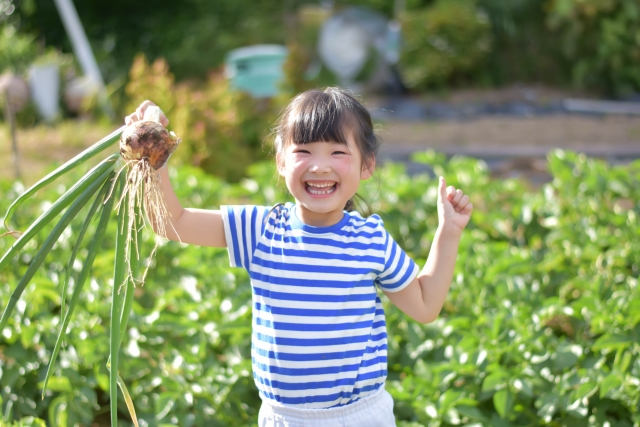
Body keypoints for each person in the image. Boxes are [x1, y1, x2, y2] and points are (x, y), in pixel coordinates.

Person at [125, 87, 473, 427]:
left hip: (360, 416)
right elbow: (171, 221)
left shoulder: (369, 240)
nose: (320, 167)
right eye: (303, 151)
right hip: (284, 418)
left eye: (338, 152)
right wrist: (151, 151)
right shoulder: (260, 229)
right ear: (280, 161)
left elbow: (425, 306)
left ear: (367, 165)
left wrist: (449, 231)